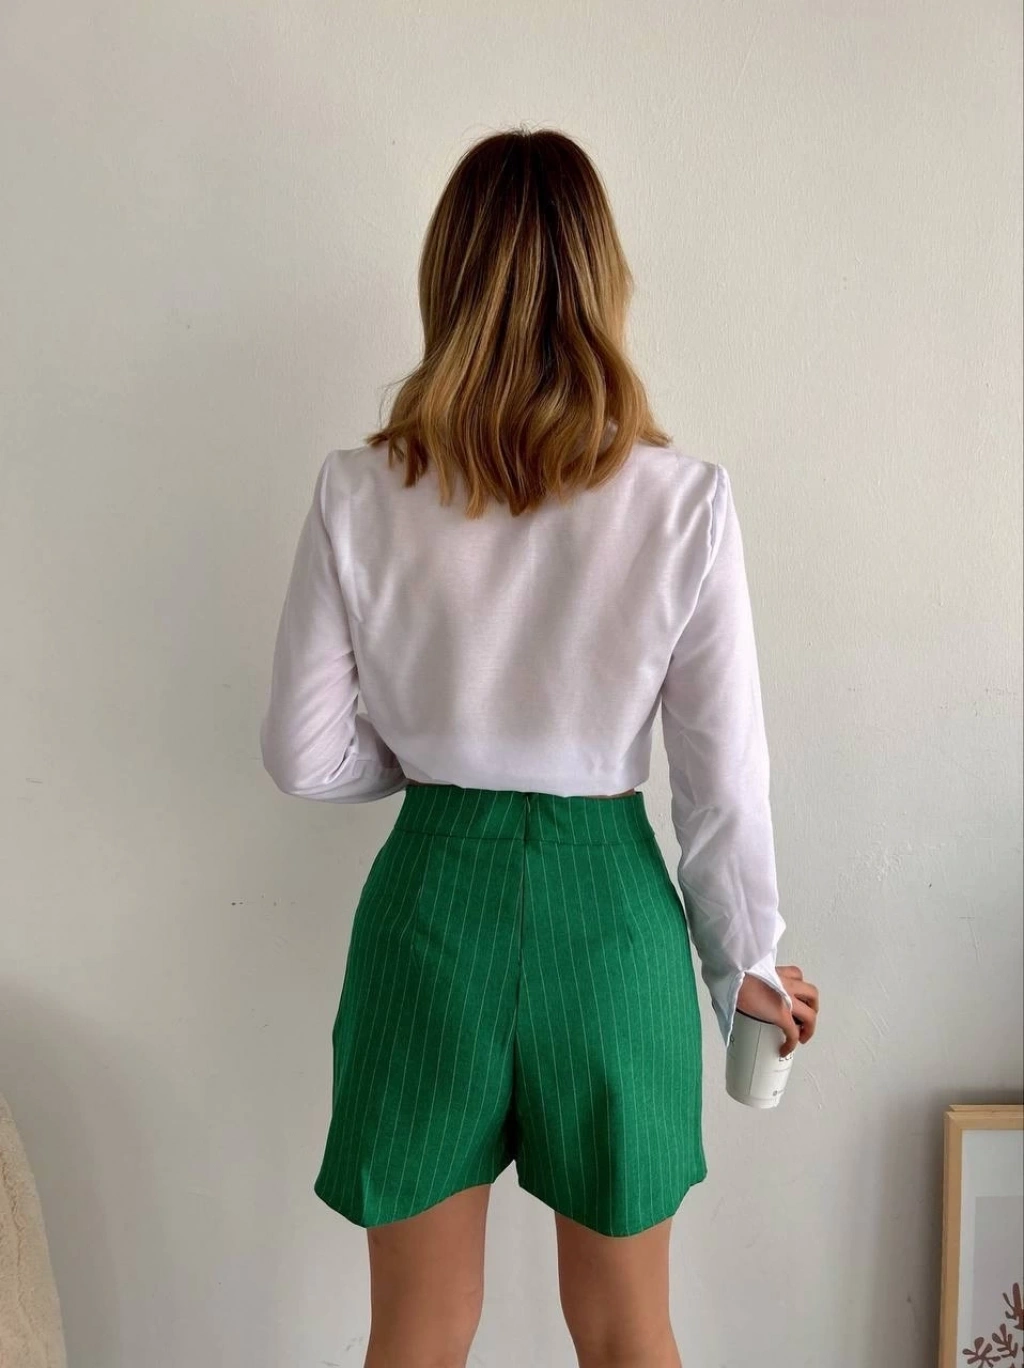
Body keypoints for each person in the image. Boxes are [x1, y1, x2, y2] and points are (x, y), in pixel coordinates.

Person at [259, 126, 819, 1368]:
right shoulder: (683, 502)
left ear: (445, 280)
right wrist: (746, 965)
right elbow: (721, 781)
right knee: (627, 1333)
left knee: (415, 1333)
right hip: (609, 920)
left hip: (429, 911)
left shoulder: (359, 490)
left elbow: (302, 754)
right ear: (603, 283)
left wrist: (430, 759)